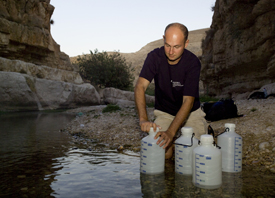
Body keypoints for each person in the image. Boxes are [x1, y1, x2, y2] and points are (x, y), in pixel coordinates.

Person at [134, 22, 207, 159]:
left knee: (192, 155)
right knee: (161, 154)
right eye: (167, 45)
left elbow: (188, 101)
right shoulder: (154, 57)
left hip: (191, 113)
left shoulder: (193, 63)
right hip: (165, 112)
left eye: (176, 47)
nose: (171, 52)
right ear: (163, 40)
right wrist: (143, 119)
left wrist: (171, 132)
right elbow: (140, 86)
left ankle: (199, 133)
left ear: (186, 44)